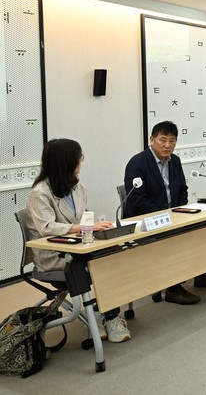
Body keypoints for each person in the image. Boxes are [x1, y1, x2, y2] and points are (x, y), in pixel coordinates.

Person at [25, 139, 131, 343]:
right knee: (101, 263)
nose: (81, 161)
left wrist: (99, 227)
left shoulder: (77, 186)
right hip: (53, 255)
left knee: (114, 254)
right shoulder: (40, 193)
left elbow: (83, 217)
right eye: (78, 157)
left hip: (79, 246)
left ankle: (102, 314)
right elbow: (47, 227)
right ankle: (107, 316)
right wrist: (84, 228)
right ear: (65, 161)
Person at [124, 120, 206, 304]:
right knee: (176, 237)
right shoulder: (137, 163)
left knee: (203, 227)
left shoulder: (175, 161)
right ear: (152, 140)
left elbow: (182, 189)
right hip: (146, 220)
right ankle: (173, 288)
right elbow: (137, 201)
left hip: (172, 215)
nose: (167, 145)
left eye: (172, 141)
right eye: (163, 140)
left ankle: (201, 274)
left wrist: (180, 212)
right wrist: (166, 215)